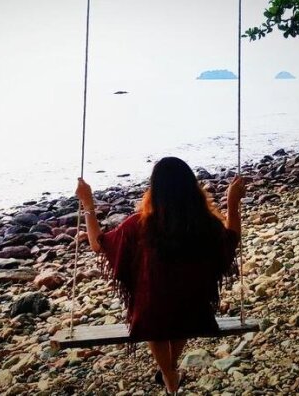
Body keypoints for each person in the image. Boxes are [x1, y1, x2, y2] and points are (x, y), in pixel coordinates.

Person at [75, 157, 246, 394]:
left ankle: (168, 373)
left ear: (154, 191)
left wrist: (88, 203)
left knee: (152, 313)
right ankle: (171, 369)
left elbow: (98, 243)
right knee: (182, 312)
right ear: (192, 188)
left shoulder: (138, 225)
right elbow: (231, 239)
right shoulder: (205, 225)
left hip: (151, 315)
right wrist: (232, 202)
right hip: (193, 311)